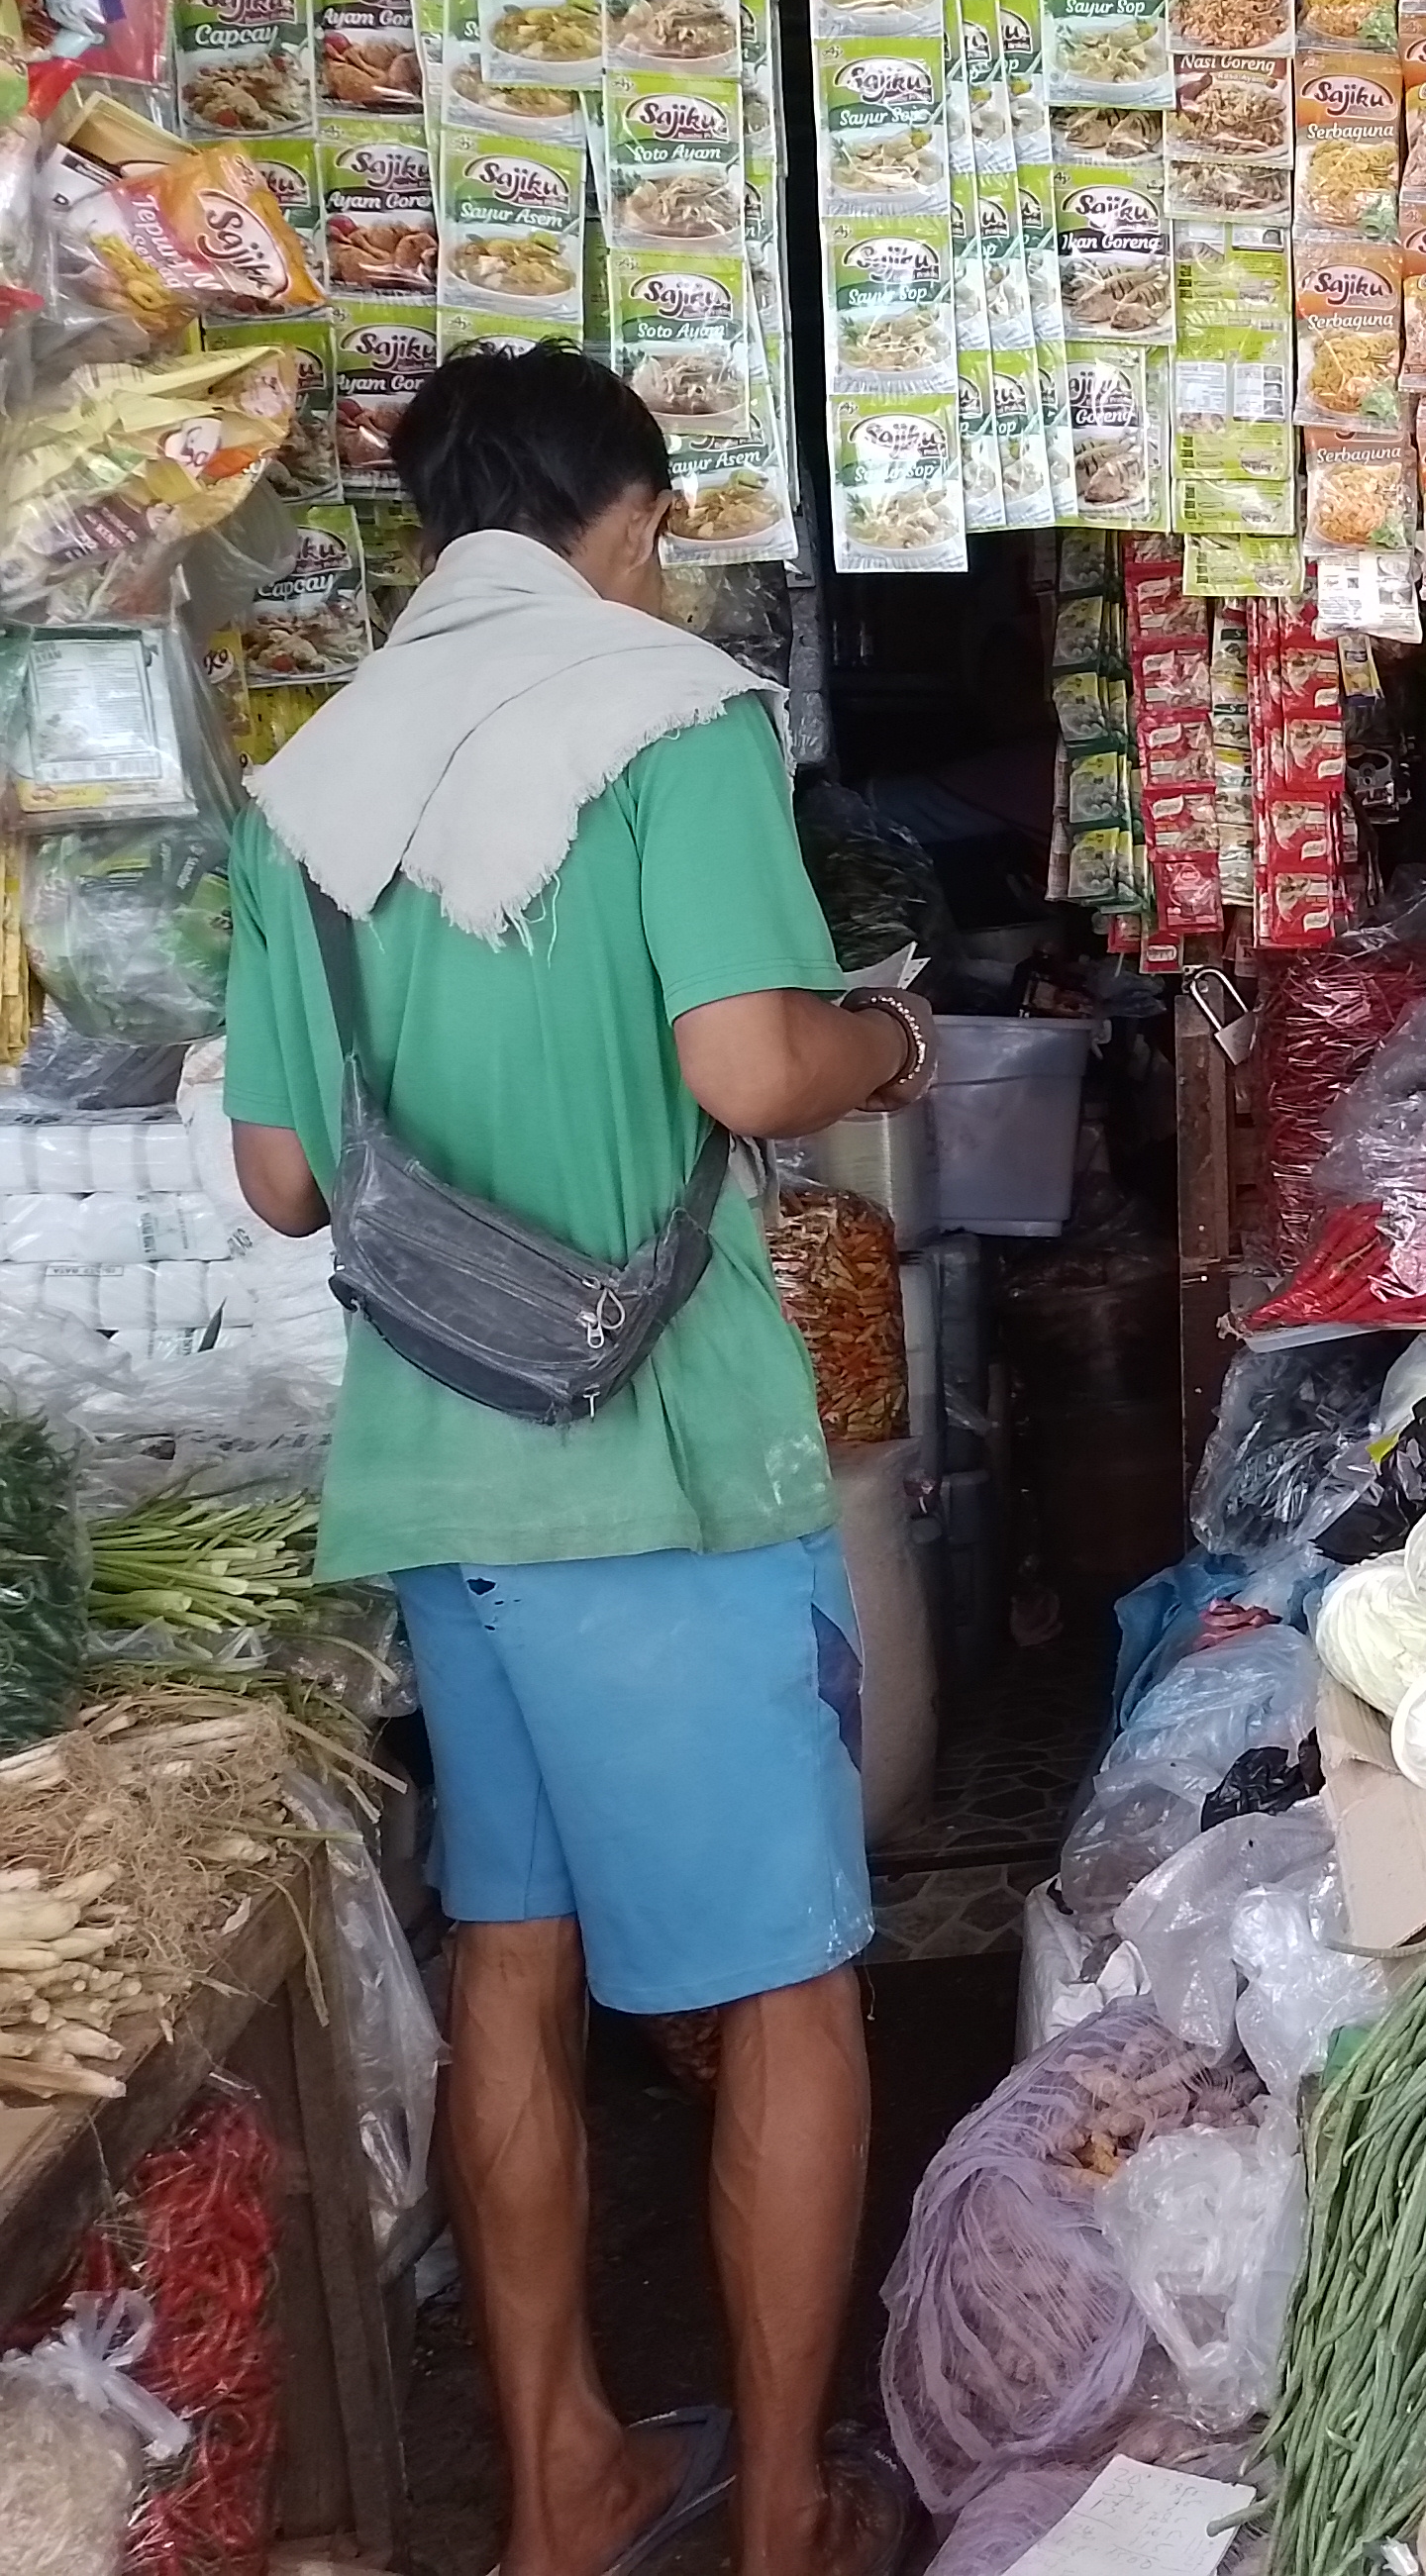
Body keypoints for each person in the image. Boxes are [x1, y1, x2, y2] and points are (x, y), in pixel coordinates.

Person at [221, 347, 932, 2576]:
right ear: (627, 519)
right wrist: (891, 1038)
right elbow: (749, 1069)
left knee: (512, 1966)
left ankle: (563, 2488)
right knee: (786, 1989)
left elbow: (280, 1181)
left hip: (439, 1467)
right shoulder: (669, 713)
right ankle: (782, 2512)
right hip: (652, 1466)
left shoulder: (308, 779)